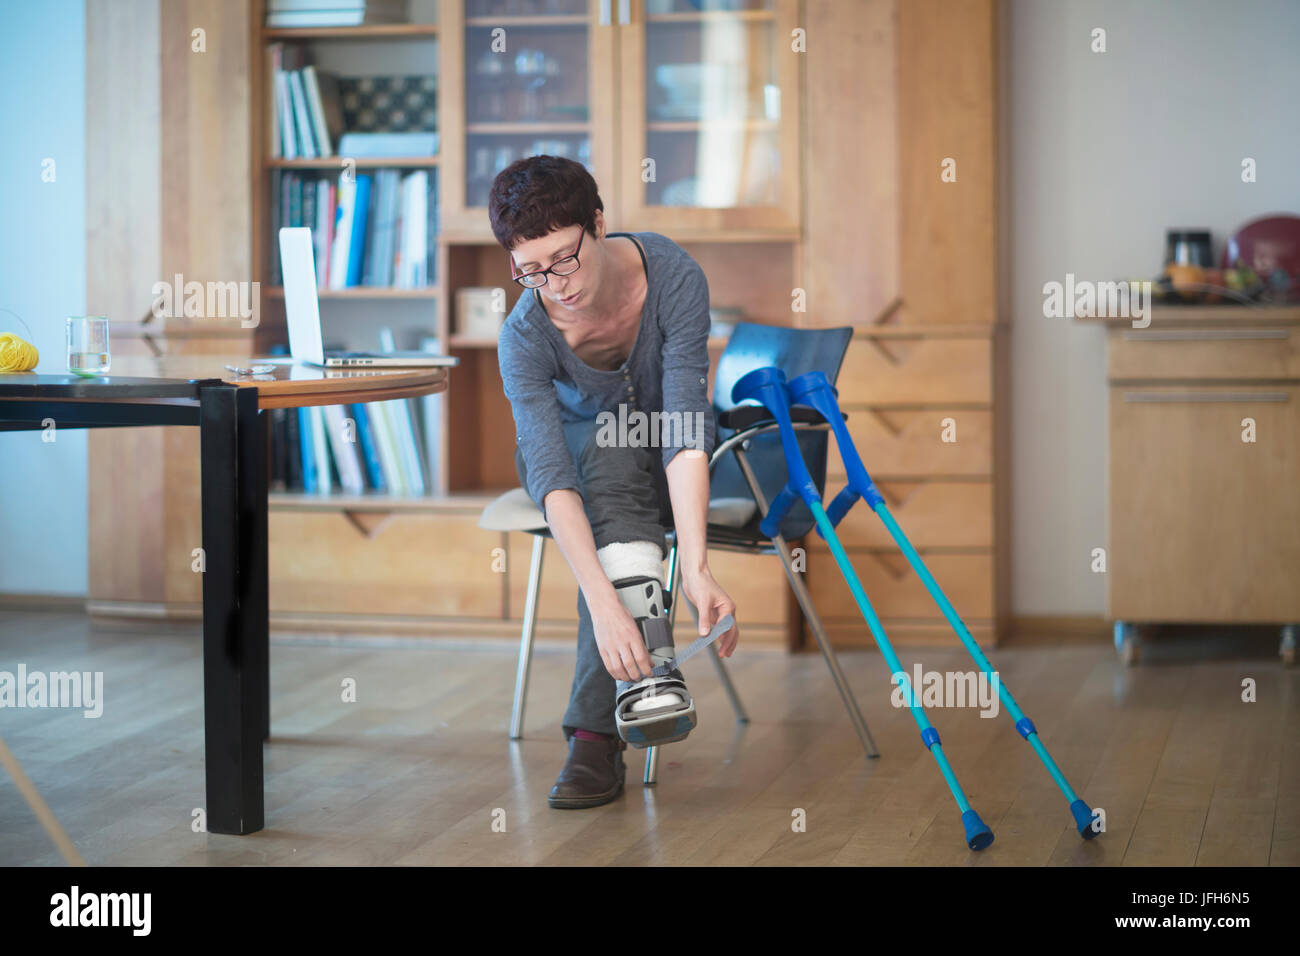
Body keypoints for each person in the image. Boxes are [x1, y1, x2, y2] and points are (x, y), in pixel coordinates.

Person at [491, 155, 740, 809]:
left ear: (597, 223)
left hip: (668, 466)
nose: (555, 283)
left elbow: (685, 430)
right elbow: (550, 476)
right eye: (532, 271)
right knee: (601, 464)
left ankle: (596, 740)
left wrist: (698, 570)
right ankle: (638, 687)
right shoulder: (523, 337)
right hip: (577, 472)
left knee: (621, 451)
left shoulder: (672, 277)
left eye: (564, 259)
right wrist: (602, 603)